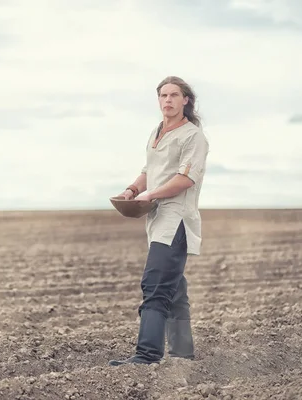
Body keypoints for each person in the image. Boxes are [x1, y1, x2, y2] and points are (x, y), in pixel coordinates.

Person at [109, 76, 209, 366]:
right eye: (163, 95)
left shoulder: (193, 137)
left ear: (186, 100)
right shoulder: (157, 131)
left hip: (176, 219)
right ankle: (182, 351)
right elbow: (147, 170)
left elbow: (185, 178)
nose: (168, 100)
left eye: (174, 95)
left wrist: (151, 193)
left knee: (155, 282)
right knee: (174, 285)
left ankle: (148, 354)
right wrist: (132, 190)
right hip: (156, 219)